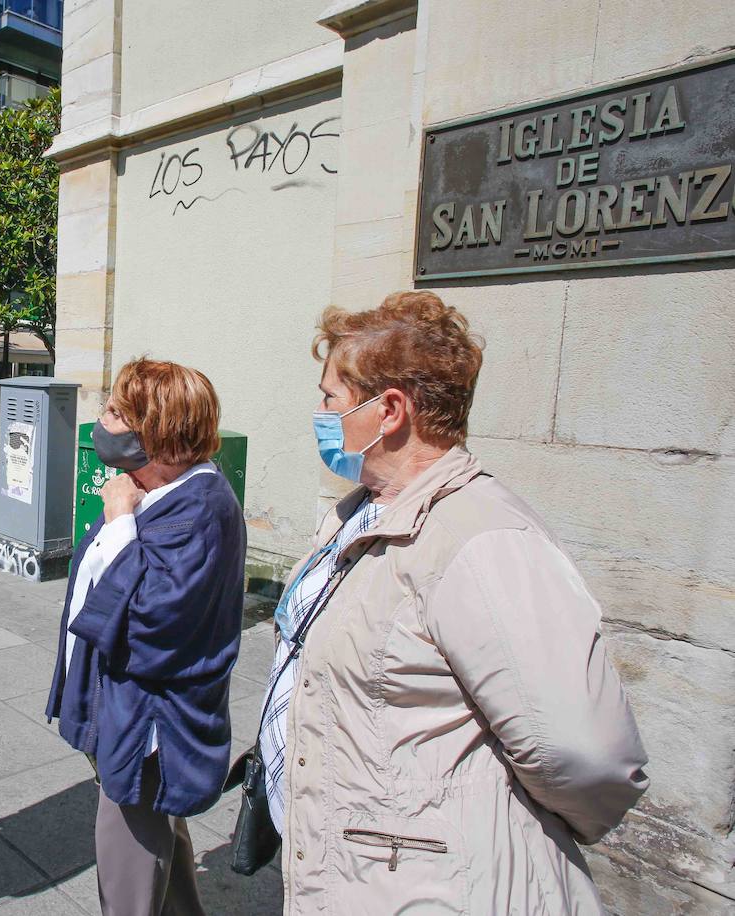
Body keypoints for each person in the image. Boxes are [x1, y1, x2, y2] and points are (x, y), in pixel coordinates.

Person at [260, 291, 648, 914]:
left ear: (388, 411)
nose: (319, 412)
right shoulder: (357, 513)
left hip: (431, 888)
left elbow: (587, 755)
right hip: (354, 871)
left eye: (330, 397)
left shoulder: (481, 538)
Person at [45, 358, 246, 916]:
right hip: (130, 707)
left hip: (150, 721)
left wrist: (118, 521)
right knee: (159, 837)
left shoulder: (198, 507)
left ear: (154, 431)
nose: (100, 422)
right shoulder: (154, 488)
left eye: (114, 412)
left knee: (129, 851)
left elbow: (152, 618)